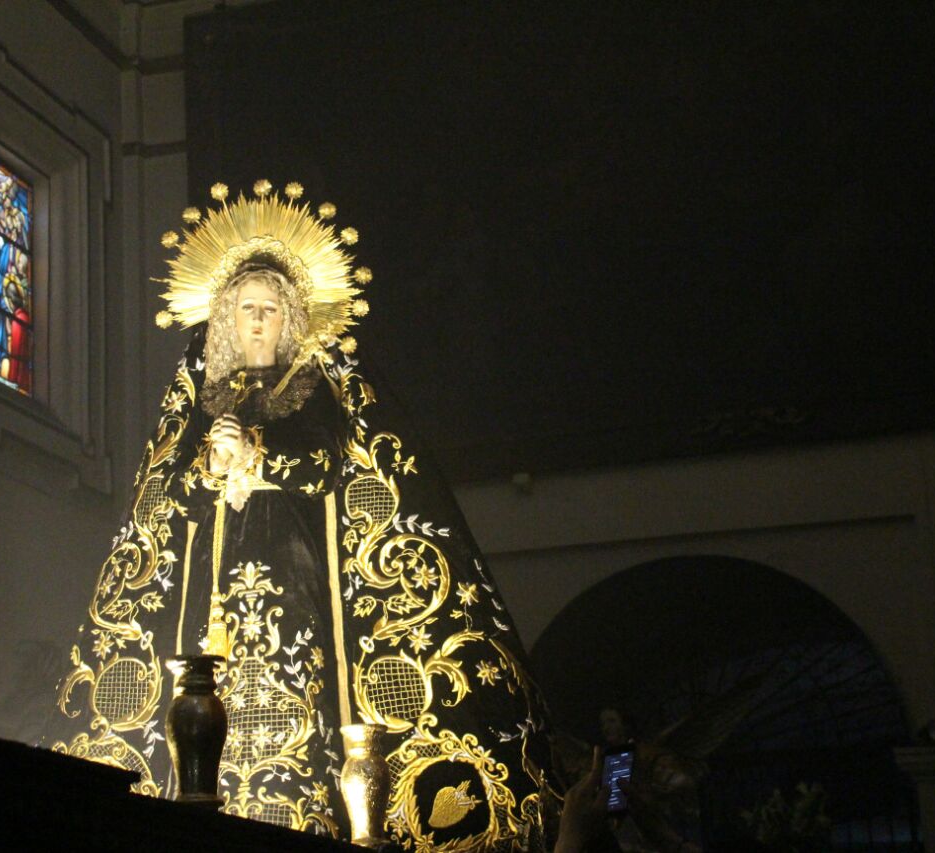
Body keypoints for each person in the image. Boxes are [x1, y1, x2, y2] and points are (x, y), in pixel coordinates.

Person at [46, 181, 556, 851]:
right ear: (224, 318)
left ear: (292, 318)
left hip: (298, 573)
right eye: (244, 310)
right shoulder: (198, 398)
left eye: (268, 310)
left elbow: (332, 465)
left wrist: (256, 455)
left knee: (301, 696)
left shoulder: (317, 388)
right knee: (203, 701)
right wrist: (209, 467)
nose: (256, 323)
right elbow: (163, 497)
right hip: (210, 590)